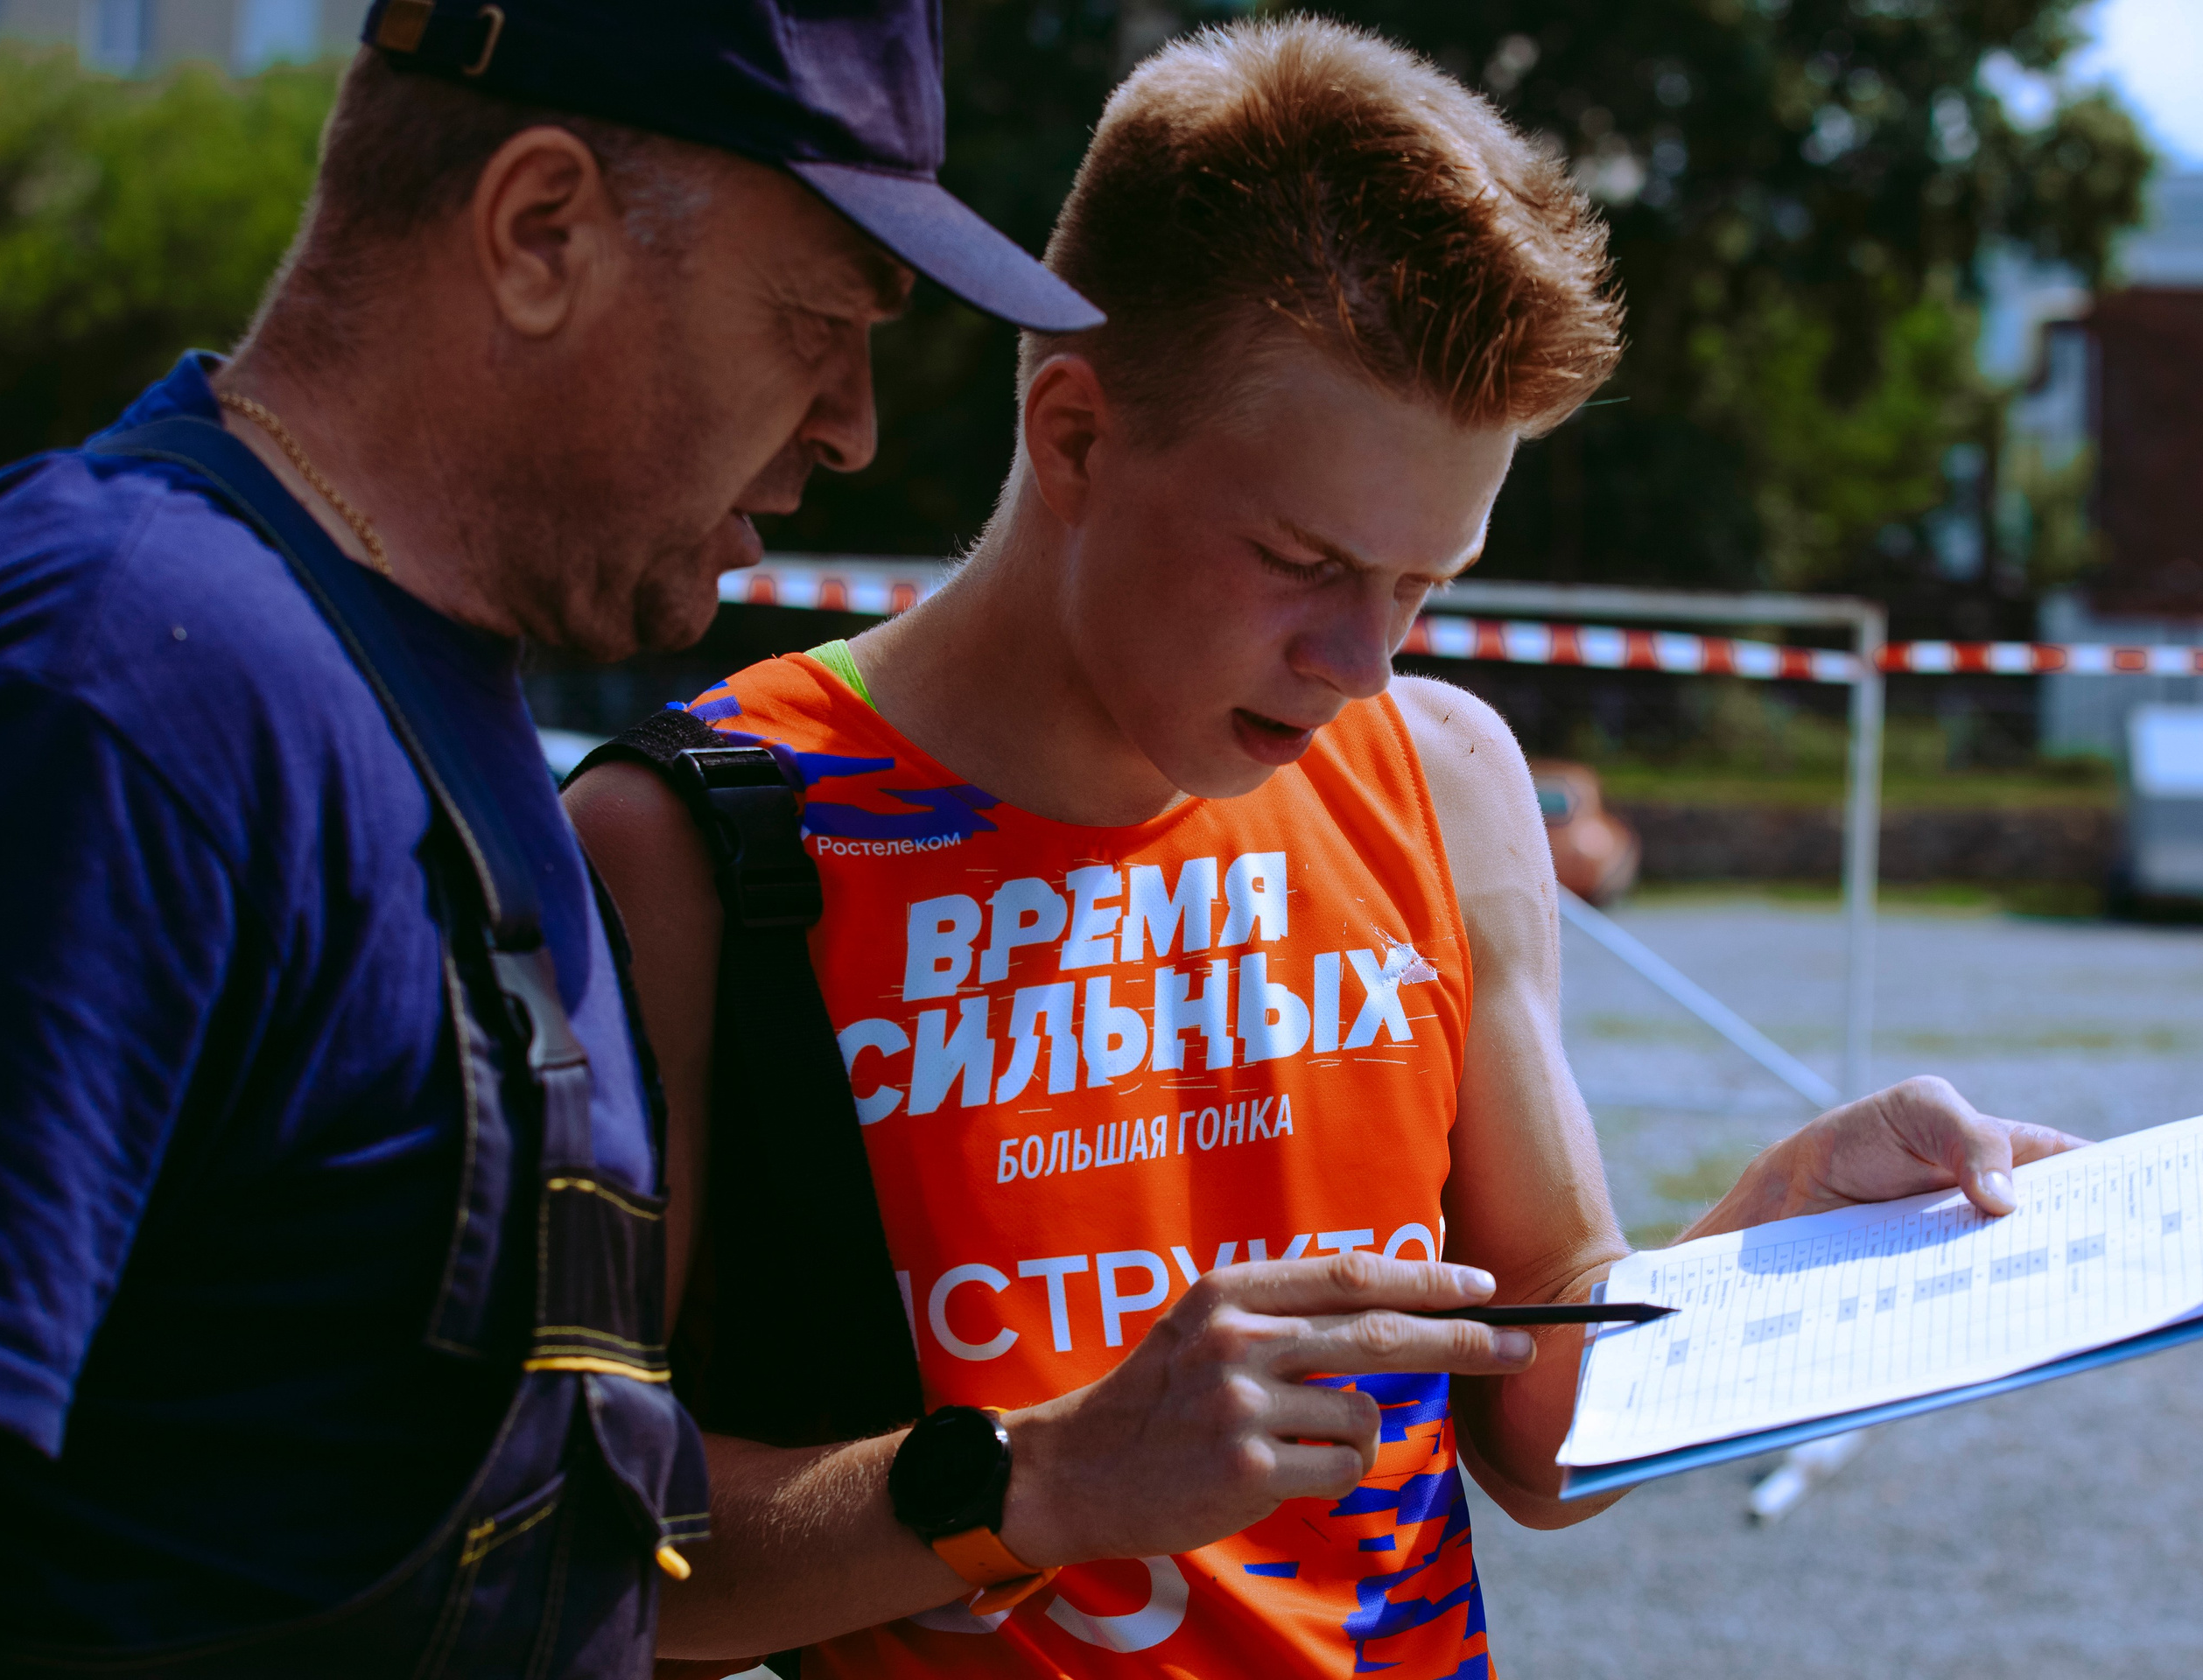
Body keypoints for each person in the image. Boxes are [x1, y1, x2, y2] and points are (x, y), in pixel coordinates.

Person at [567, 18, 2087, 1679]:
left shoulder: (1440, 776)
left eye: (1427, 585)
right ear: (1072, 435)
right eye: (1304, 560)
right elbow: (568, 1562)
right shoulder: (689, 847)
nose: (1364, 663)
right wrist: (1044, 1483)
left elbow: (1538, 1425)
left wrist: (1785, 1228)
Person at [0, 0, 1099, 1672]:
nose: (852, 423)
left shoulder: (406, 680)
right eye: (812, 321)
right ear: (541, 232)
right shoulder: (127, 681)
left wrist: (1038, 1484)